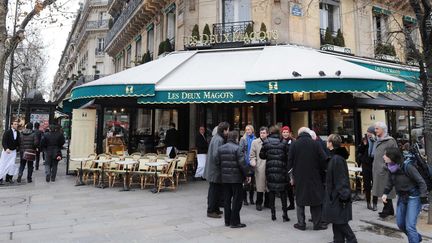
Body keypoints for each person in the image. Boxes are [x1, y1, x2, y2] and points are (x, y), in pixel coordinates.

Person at [382, 147, 428, 243]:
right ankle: (416, 237)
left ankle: (414, 239)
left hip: (413, 197)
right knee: (401, 224)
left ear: (392, 156)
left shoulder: (408, 167)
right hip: (402, 197)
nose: (383, 157)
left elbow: (421, 182)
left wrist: (423, 197)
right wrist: (385, 193)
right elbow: (390, 182)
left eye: (385, 155)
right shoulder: (391, 167)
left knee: (410, 226)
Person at [288, 127, 328, 231]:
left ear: (299, 134)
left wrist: (291, 177)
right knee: (315, 199)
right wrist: (321, 171)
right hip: (314, 175)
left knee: (300, 200)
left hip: (299, 176)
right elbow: (323, 159)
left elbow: (290, 161)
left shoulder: (294, 144)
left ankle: (301, 224)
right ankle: (317, 224)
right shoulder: (316, 144)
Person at [323, 134, 357, 243]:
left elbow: (341, 179)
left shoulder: (337, 159)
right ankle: (338, 240)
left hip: (338, 196)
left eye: (327, 141)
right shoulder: (335, 157)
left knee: (341, 222)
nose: (326, 143)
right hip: (334, 195)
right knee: (336, 220)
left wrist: (344, 197)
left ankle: (352, 240)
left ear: (331, 143)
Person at [216, 131, 251, 228]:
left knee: (227, 200)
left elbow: (217, 162)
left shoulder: (221, 148)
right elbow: (242, 164)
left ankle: (227, 221)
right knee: (237, 200)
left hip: (225, 178)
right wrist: (248, 175)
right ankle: (234, 222)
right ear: (236, 138)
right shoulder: (238, 148)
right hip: (236, 179)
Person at [260, 126, 290, 222]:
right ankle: (285, 214)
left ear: (270, 132)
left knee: (272, 192)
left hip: (270, 170)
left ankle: (273, 214)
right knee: (283, 192)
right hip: (282, 170)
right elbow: (288, 156)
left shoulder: (266, 142)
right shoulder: (284, 142)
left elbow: (262, 155)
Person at [204, 122, 230, 218]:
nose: (228, 131)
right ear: (224, 130)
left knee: (216, 190)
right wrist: (221, 164)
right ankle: (211, 210)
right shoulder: (219, 139)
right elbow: (216, 155)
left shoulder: (217, 138)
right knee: (214, 191)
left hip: (214, 170)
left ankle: (215, 209)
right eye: (228, 129)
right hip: (215, 170)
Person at [372, 121, 398, 218]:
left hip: (385, 171)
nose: (375, 131)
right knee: (382, 190)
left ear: (383, 129)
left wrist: (386, 166)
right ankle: (389, 209)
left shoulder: (390, 141)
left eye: (377, 129)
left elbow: (395, 155)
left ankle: (387, 210)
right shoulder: (378, 140)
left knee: (386, 190)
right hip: (379, 170)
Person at [250, 126, 270, 211]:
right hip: (259, 167)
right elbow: (252, 155)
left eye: (264, 133)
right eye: (261, 133)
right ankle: (259, 203)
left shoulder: (270, 142)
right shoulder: (255, 142)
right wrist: (253, 162)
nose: (262, 134)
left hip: (269, 167)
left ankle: (267, 203)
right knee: (260, 186)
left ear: (267, 134)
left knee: (268, 186)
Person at [357, 125, 376, 210]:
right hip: (366, 165)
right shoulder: (364, 139)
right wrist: (364, 145)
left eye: (370, 132)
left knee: (375, 184)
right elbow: (359, 151)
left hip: (374, 164)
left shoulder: (376, 140)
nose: (368, 134)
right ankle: (368, 202)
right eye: (368, 132)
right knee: (367, 185)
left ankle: (375, 203)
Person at [239, 125, 256, 206]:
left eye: (249, 129)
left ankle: (251, 199)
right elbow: (240, 151)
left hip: (253, 163)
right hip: (245, 163)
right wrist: (243, 161)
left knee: (252, 182)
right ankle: (244, 199)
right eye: (246, 130)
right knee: (245, 182)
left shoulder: (255, 139)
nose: (247, 131)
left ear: (252, 130)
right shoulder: (243, 139)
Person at [281, 126, 295, 210]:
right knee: (286, 187)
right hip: (283, 166)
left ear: (289, 133)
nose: (285, 134)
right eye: (284, 132)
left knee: (291, 185)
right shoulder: (280, 141)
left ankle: (292, 203)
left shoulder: (293, 141)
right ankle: (288, 203)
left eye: (287, 132)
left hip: (291, 166)